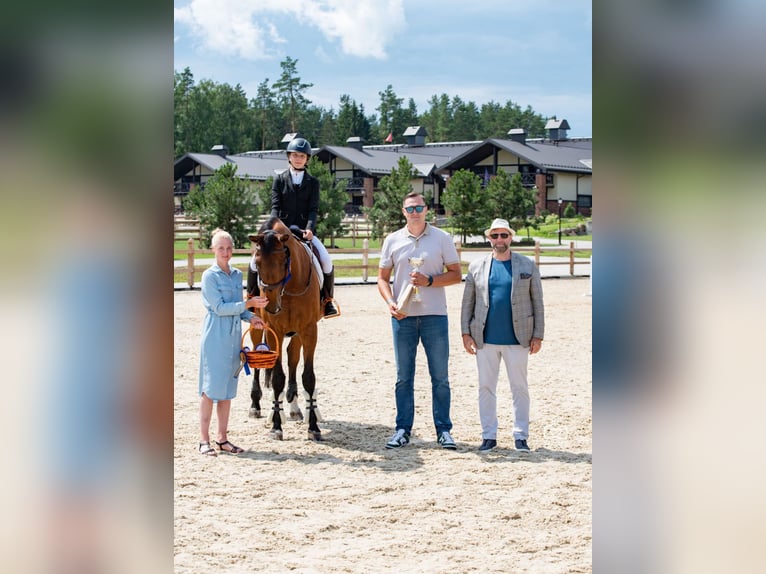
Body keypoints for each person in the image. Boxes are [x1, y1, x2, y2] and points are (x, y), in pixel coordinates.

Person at [377, 192, 462, 450]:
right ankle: (403, 429)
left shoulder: (442, 238)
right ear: (403, 211)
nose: (415, 212)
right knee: (404, 377)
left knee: (441, 377)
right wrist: (390, 302)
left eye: (419, 207)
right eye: (410, 208)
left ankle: (444, 430)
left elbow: (457, 275)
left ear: (427, 210)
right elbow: (382, 278)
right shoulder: (392, 240)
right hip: (402, 317)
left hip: (435, 316)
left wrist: (431, 281)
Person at [460, 218, 545, 453]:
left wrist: (538, 334)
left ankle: (521, 436)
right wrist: (465, 332)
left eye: (504, 235)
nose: (500, 240)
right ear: (489, 238)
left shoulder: (527, 265)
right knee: (485, 387)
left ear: (511, 237)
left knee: (520, 388)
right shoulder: (476, 267)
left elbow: (538, 302)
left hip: (519, 339)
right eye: (495, 235)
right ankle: (488, 435)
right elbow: (468, 303)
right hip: (484, 338)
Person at [199, 229, 268, 456]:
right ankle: (203, 440)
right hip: (215, 337)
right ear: (213, 250)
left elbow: (237, 307)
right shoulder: (210, 276)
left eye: (229, 248)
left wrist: (252, 317)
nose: (226, 253)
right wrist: (248, 305)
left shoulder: (237, 275)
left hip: (233, 338)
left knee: (227, 391)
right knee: (210, 390)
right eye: (221, 248)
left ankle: (222, 439)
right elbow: (219, 308)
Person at [267, 137, 339, 318]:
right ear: (289, 157)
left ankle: (327, 300)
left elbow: (313, 209)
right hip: (281, 232)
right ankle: (252, 295)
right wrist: (274, 229)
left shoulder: (313, 182)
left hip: (303, 232)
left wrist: (309, 229)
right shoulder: (279, 180)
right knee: (255, 262)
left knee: (326, 261)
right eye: (295, 155)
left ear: (307, 159)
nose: (298, 158)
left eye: (302, 156)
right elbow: (275, 207)